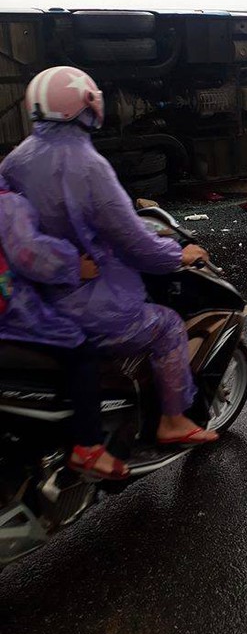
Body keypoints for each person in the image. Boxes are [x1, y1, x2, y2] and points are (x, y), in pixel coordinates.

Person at [0, 66, 218, 447]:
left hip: (32, 300)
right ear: (87, 104)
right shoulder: (89, 166)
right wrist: (178, 255)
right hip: (85, 301)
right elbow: (134, 242)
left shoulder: (15, 161)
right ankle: (173, 420)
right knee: (166, 325)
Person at [0, 175, 129, 479]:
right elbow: (31, 253)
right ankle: (88, 446)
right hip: (10, 311)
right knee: (81, 347)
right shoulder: (9, 203)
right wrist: (76, 266)